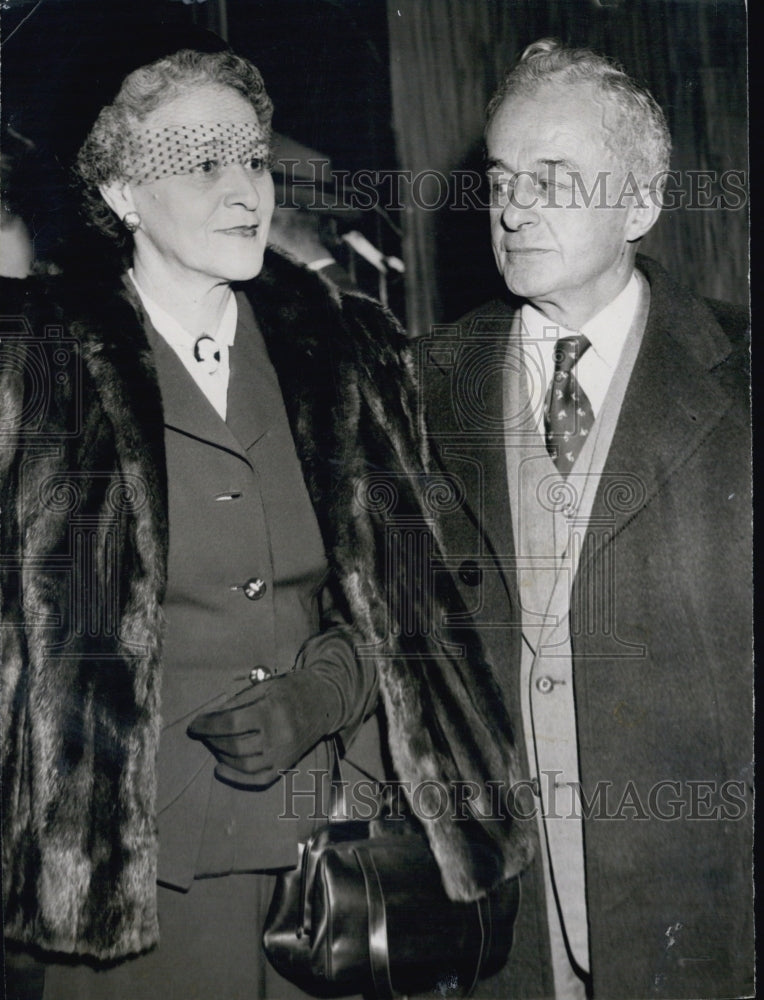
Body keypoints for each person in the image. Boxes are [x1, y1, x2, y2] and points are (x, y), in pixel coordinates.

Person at [1, 43, 528, 1000]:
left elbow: (431, 590)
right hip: (136, 883)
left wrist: (324, 693)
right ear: (121, 193)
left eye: (251, 159)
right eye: (203, 164)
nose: (245, 188)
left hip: (336, 862)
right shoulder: (40, 364)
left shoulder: (351, 347)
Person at [423, 38, 752, 1000]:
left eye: (553, 178)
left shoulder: (740, 375)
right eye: (501, 178)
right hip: (500, 930)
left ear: (642, 205)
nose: (514, 207)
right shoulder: (418, 383)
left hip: (700, 920)